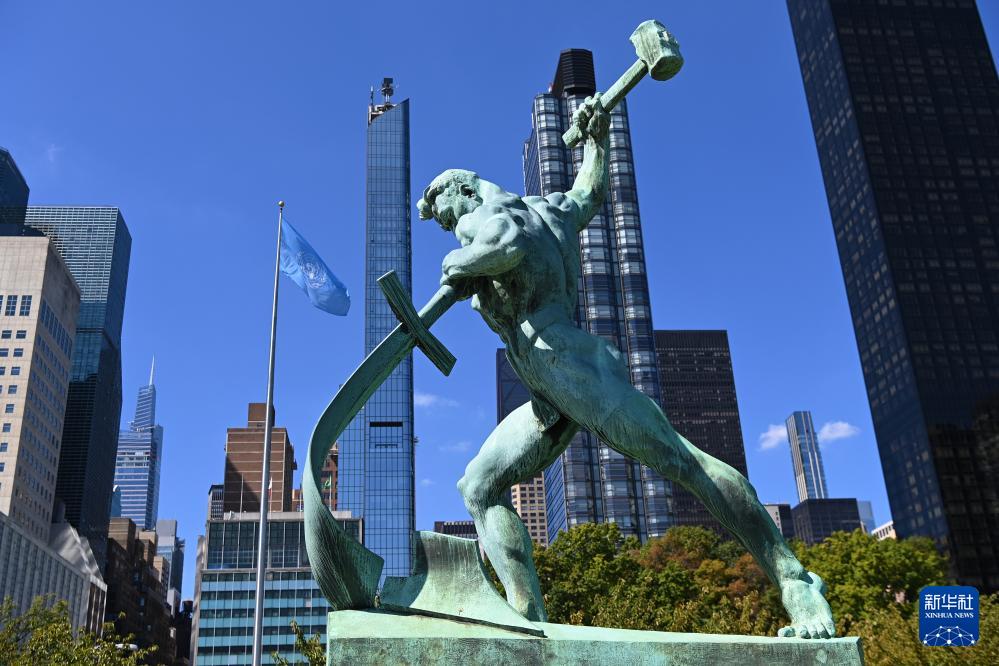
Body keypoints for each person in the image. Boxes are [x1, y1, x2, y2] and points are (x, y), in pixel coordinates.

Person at [417, 94, 836, 639]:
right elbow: (588, 193)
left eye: (446, 215)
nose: (450, 227)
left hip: (569, 367)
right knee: (478, 486)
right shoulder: (548, 209)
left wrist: (459, 261)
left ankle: (794, 579)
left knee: (683, 461)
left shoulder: (487, 218)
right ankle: (527, 621)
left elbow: (507, 243)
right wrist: (598, 139)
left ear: (463, 191)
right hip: (548, 393)